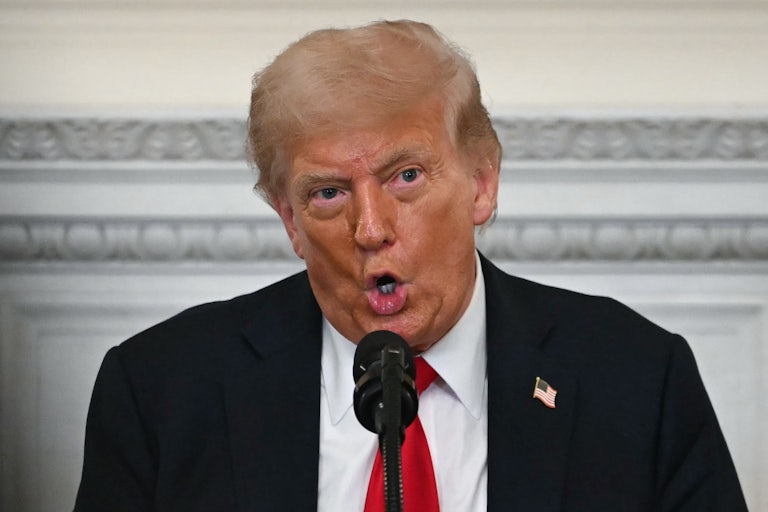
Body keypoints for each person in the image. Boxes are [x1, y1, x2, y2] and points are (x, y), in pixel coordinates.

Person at [74, 20, 748, 512]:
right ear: (290, 221)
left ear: (481, 183)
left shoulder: (636, 379)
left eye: (405, 177)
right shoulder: (159, 392)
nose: (370, 230)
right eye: (328, 193)